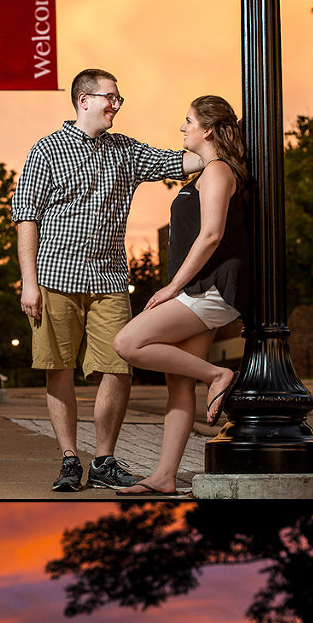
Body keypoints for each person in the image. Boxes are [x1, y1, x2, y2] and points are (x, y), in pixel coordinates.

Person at [12, 69, 204, 493]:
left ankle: (103, 459)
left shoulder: (126, 150)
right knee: (57, 368)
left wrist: (217, 146)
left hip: (110, 279)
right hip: (54, 277)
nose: (117, 103)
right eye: (110, 97)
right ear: (84, 100)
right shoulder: (46, 150)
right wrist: (29, 282)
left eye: (119, 97)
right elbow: (26, 216)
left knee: (119, 366)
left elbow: (180, 161)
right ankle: (68, 459)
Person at [112, 95, 250, 496]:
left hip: (208, 288)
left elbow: (211, 235)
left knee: (128, 342)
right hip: (197, 288)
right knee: (177, 382)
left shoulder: (219, 171)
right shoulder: (207, 171)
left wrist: (172, 288)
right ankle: (165, 476)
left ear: (207, 129)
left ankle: (219, 375)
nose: (182, 127)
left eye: (188, 120)